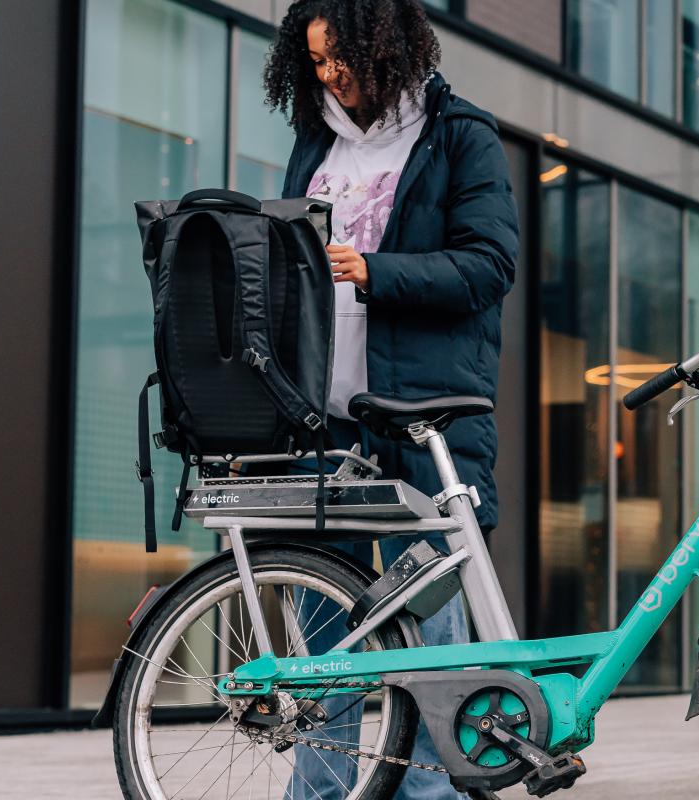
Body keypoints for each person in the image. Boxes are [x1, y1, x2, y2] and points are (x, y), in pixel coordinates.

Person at [262, 1, 517, 797]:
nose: (329, 74)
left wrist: (373, 270)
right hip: (325, 427)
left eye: (340, 57)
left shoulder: (460, 136)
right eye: (315, 61)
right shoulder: (318, 142)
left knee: (430, 647)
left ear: (387, 48)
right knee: (324, 647)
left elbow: (488, 264)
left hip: (422, 423)